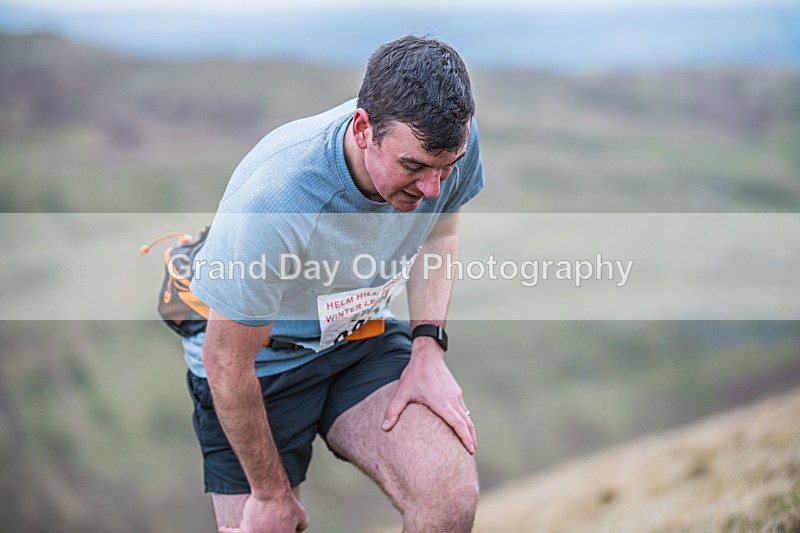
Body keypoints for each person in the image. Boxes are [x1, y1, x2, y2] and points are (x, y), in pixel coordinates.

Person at [182, 34, 485, 533]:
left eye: (445, 168)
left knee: (449, 500)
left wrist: (427, 349)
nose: (433, 186)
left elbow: (440, 232)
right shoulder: (275, 199)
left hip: (359, 337)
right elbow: (226, 361)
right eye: (413, 167)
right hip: (258, 366)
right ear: (363, 129)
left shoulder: (451, 140)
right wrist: (271, 494)